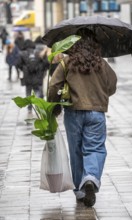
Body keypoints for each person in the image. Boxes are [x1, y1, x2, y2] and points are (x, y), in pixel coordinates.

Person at [47, 30, 117, 207]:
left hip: (73, 111)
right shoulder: (101, 63)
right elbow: (112, 85)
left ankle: (80, 190)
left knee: (76, 150)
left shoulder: (67, 62)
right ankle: (91, 178)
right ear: (95, 43)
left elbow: (54, 86)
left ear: (74, 43)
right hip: (96, 112)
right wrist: (99, 93)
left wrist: (53, 106)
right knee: (94, 148)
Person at [17, 39, 50, 113]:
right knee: (38, 91)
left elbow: (18, 64)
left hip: (27, 77)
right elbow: (46, 64)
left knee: (28, 92)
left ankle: (29, 108)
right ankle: (39, 107)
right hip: (38, 77)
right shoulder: (39, 53)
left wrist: (24, 69)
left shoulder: (22, 54)